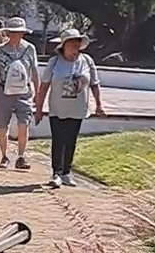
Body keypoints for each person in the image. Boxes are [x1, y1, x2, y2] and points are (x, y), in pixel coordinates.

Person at [35, 28, 105, 188]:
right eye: (72, 44)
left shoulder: (87, 61)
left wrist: (99, 104)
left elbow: (94, 84)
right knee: (58, 140)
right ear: (64, 46)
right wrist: (39, 108)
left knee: (71, 140)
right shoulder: (55, 62)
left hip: (77, 108)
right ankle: (56, 172)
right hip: (58, 109)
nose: (75, 48)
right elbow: (44, 86)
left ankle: (67, 172)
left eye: (77, 44)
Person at [0, 16, 40, 170]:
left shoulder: (30, 49)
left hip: (24, 91)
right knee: (2, 125)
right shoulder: (0, 50)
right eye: (12, 32)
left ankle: (21, 156)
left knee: (24, 124)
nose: (15, 35)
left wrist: (37, 93)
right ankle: (4, 156)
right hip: (4, 91)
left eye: (18, 32)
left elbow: (34, 71)